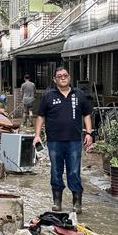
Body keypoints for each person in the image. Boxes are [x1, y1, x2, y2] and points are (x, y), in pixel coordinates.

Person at [33, 66, 94, 213]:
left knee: (74, 171)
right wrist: (37, 135)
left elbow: (87, 115)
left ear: (69, 77)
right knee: (56, 171)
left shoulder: (79, 94)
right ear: (55, 79)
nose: (63, 77)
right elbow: (41, 116)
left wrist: (89, 133)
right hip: (54, 141)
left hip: (74, 141)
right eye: (59, 76)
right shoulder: (48, 96)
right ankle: (57, 202)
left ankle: (77, 203)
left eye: (65, 75)